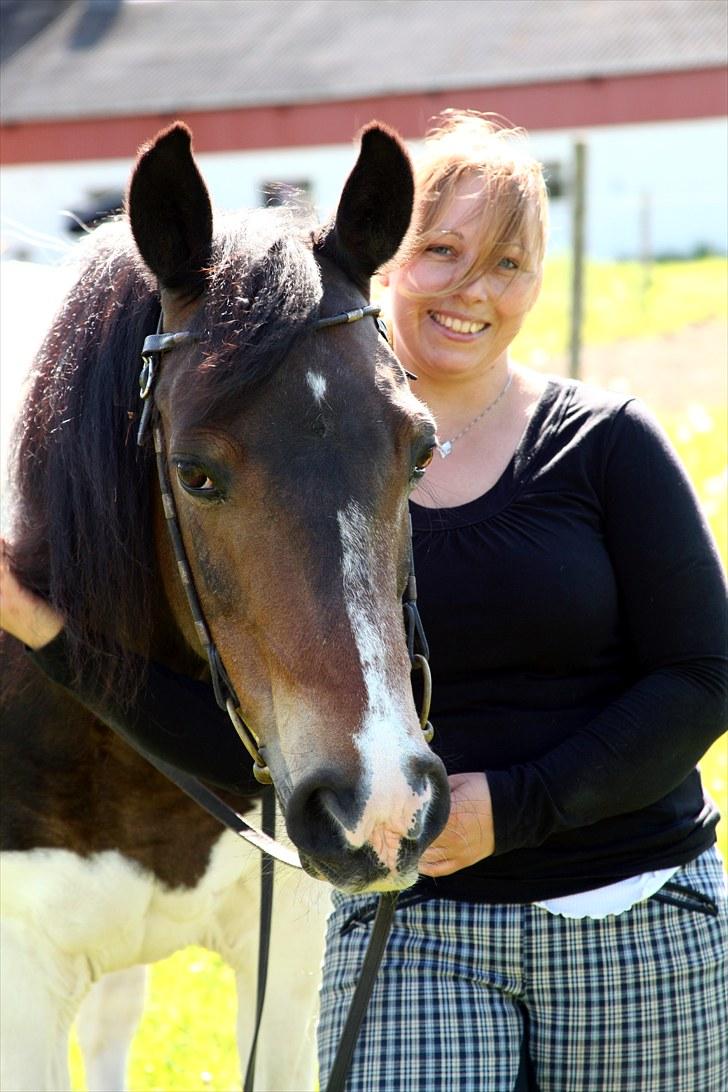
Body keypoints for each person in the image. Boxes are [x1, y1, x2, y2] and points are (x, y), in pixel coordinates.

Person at [1, 111, 726, 1091]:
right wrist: (40, 623)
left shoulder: (602, 446)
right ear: (386, 257)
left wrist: (514, 811)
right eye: (440, 249)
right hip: (417, 933)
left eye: (507, 263)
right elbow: (230, 736)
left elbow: (700, 676)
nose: (472, 286)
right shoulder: (311, 472)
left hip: (629, 910)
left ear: (534, 285)